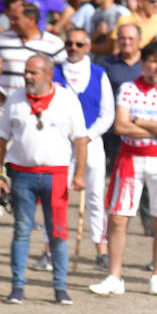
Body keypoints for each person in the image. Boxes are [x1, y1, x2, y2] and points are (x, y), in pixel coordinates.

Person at [0, 54, 88, 304]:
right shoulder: (15, 99)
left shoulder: (67, 99)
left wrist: (79, 174)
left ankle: (60, 288)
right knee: (21, 231)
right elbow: (0, 139)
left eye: (33, 72)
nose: (27, 77)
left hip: (56, 175)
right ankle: (17, 287)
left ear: (49, 74)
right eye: (26, 71)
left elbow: (80, 139)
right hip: (22, 174)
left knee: (57, 233)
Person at [89, 43, 157, 297]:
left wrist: (139, 122)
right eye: (152, 62)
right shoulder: (128, 89)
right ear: (143, 64)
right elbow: (121, 126)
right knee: (119, 218)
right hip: (131, 159)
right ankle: (114, 276)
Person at [51, 28, 114, 271]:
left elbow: (107, 113)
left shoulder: (98, 73)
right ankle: (51, 248)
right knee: (57, 197)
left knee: (95, 197)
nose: (73, 48)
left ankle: (101, 249)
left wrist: (87, 136)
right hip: (62, 143)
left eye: (78, 44)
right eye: (69, 43)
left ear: (87, 47)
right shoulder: (55, 72)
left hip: (91, 141)